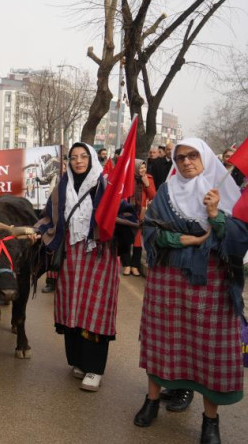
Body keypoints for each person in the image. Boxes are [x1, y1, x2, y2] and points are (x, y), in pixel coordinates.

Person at [133, 138, 246, 443]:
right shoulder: (167, 191)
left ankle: (211, 422)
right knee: (161, 338)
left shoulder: (224, 192)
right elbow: (152, 231)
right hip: (167, 277)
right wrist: (188, 241)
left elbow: (237, 241)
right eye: (180, 157)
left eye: (192, 156)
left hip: (211, 281)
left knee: (209, 348)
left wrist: (215, 214)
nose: (185, 162)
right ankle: (152, 400)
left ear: (205, 157)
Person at [35, 142, 133, 392]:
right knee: (72, 307)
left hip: (99, 255)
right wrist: (39, 232)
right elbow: (48, 217)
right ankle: (78, 361)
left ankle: (95, 369)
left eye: (83, 156)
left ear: (91, 160)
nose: (78, 161)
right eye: (74, 157)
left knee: (95, 309)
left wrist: (113, 223)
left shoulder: (106, 186)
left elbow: (127, 216)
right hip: (71, 256)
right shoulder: (62, 187)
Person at [121, 160, 156, 277]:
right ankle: (126, 265)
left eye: (144, 168)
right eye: (140, 168)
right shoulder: (128, 178)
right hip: (128, 213)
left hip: (141, 213)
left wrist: (147, 184)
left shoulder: (148, 178)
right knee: (126, 238)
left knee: (137, 242)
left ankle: (135, 265)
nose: (143, 170)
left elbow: (154, 197)